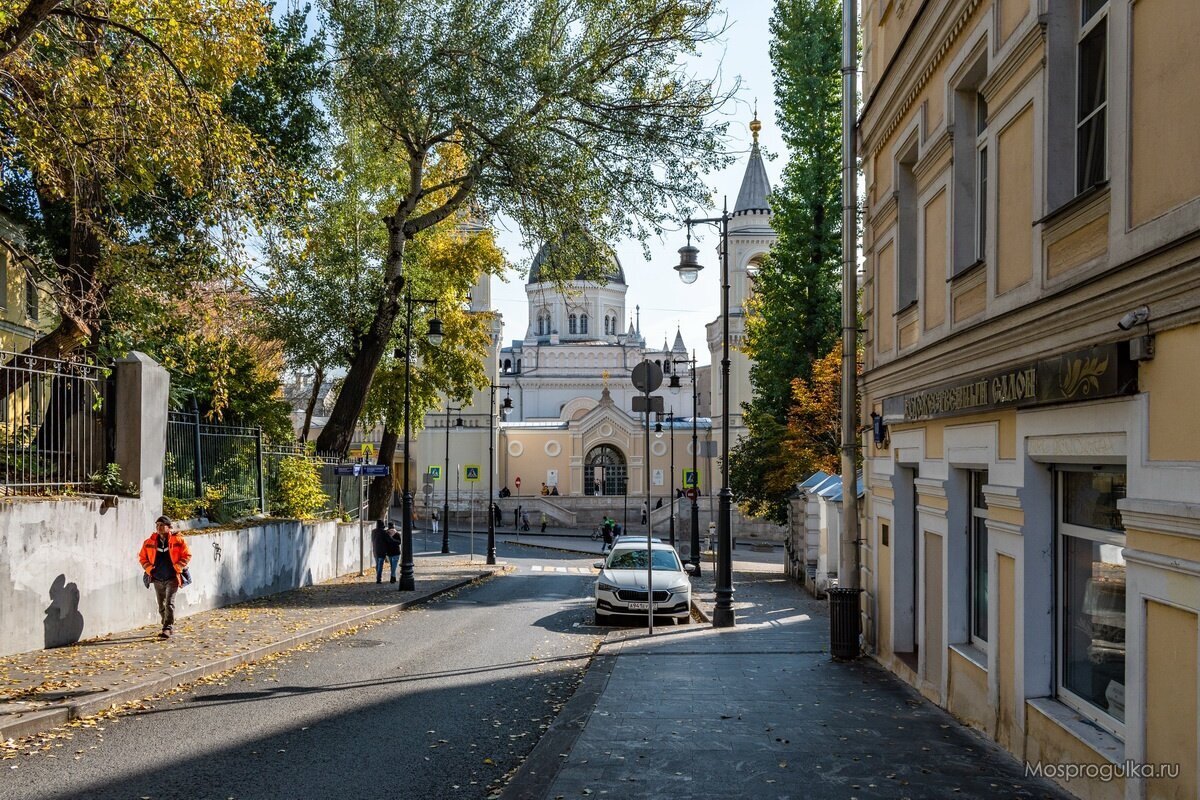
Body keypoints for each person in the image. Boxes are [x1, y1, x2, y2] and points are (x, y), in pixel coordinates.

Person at [138, 516, 191, 639]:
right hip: (157, 578)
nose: (159, 528)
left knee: (169, 603)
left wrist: (177, 567)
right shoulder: (149, 542)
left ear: (169, 527)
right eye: (157, 525)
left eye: (162, 525)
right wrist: (149, 569)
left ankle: (167, 627)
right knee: (161, 605)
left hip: (172, 577)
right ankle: (166, 623)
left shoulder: (178, 540)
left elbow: (187, 555)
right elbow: (142, 558)